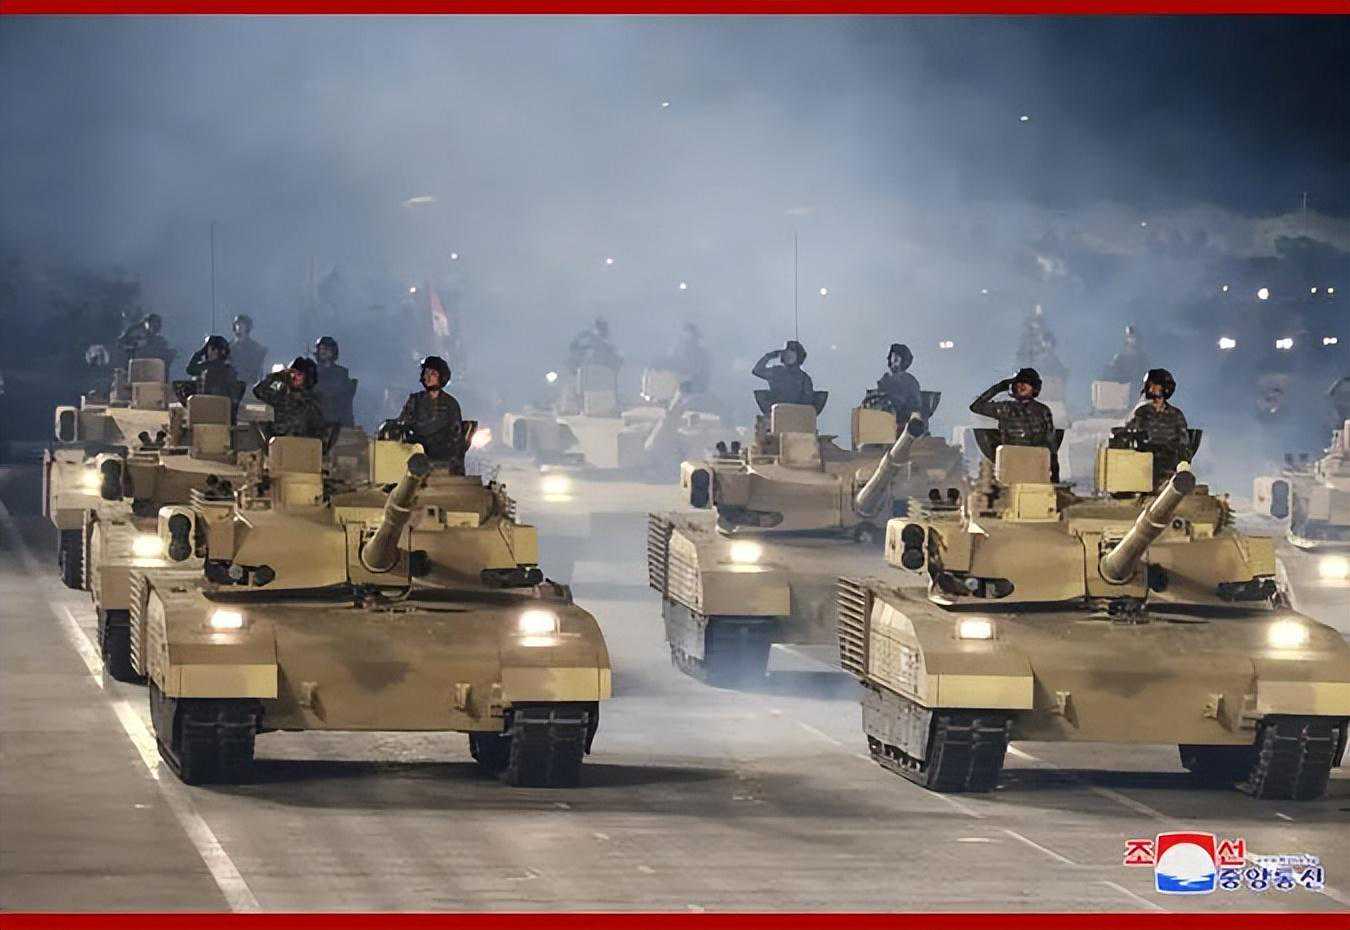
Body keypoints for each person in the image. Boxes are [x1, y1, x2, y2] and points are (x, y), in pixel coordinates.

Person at [390, 356, 465, 473]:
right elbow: (403, 424)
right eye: (426, 373)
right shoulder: (415, 400)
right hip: (415, 454)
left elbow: (455, 438)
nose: (429, 377)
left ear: (441, 377)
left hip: (442, 457)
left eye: (433, 374)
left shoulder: (450, 404)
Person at [970, 367, 1058, 467]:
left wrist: (1054, 469)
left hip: (1035, 464)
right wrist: (1000, 387)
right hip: (1010, 463)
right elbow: (976, 407)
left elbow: (1051, 442)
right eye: (1018, 383)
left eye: (1026, 382)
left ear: (1034, 386)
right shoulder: (1005, 408)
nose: (1021, 385)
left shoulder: (1043, 410)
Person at [1123, 368, 1191, 480]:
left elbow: (1184, 444)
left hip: (1169, 468)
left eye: (1155, 385)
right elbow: (1127, 435)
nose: (1151, 388)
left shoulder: (1176, 415)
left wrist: (1182, 464)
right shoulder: (1141, 413)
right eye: (1149, 385)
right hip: (1143, 467)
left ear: (1166, 388)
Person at [252, 356, 326, 442]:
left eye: (299, 374)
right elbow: (258, 390)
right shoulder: (281, 393)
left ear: (308, 377)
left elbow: (319, 429)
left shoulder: (314, 399)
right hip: (280, 443)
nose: (294, 377)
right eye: (292, 372)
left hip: (304, 444)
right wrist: (277, 376)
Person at [752, 339, 815, 408]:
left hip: (797, 411)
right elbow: (757, 371)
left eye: (792, 352)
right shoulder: (776, 372)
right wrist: (769, 356)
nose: (788, 355)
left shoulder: (804, 378)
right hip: (777, 410)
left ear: (799, 356)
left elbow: (808, 399)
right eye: (786, 353)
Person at [312, 335, 356, 427]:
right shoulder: (311, 372)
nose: (324, 352)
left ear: (333, 351)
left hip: (337, 422)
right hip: (315, 422)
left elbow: (346, 404)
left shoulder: (341, 374)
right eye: (322, 349)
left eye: (327, 349)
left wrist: (348, 424)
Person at [874, 343, 923, 424]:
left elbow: (916, 405)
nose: (893, 361)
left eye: (897, 358)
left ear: (903, 360)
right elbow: (878, 399)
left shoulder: (911, 381)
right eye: (892, 357)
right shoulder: (885, 379)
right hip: (883, 420)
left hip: (904, 420)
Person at [185, 335, 242, 403]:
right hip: (221, 406)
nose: (206, 351)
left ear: (215, 350)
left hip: (210, 405)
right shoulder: (229, 368)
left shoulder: (208, 367)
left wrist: (200, 353)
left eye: (208, 348)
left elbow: (190, 369)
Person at [1103, 324, 1146, 389]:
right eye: (1130, 337)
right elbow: (1109, 378)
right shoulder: (1119, 358)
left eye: (1135, 337)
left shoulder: (1143, 359)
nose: (1134, 340)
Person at [230, 314, 268, 383]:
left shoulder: (256, 348)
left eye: (242, 324)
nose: (239, 326)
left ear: (247, 327)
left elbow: (259, 369)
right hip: (232, 384)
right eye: (237, 324)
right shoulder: (229, 348)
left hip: (249, 383)